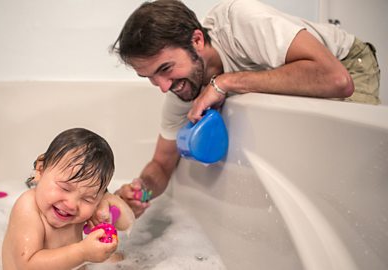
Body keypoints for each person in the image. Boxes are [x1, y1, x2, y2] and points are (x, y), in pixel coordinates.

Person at [110, 0, 381, 217]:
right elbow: (161, 163)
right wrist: (142, 190)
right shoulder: (183, 90)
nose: (163, 87)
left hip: (346, 63)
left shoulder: (239, 22)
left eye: (165, 69)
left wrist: (225, 82)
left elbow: (335, 79)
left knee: (351, 174)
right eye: (150, 78)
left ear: (197, 41)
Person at [2, 128, 134, 270]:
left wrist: (107, 201)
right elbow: (26, 265)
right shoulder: (28, 206)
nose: (72, 204)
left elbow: (126, 224)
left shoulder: (79, 210)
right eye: (65, 188)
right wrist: (83, 253)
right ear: (40, 170)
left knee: (122, 258)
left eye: (87, 199)